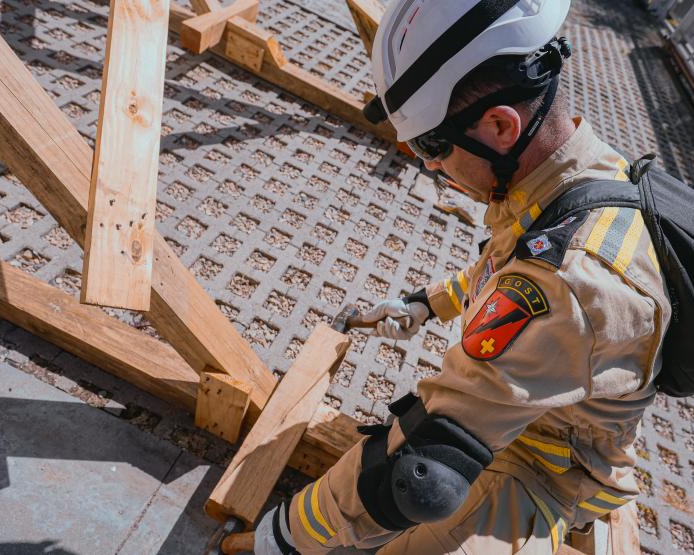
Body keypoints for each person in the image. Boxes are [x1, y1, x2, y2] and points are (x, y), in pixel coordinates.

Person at [255, 1, 671, 553]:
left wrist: (284, 535)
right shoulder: (571, 176)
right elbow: (503, 265)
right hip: (534, 412)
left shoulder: (573, 280)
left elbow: (426, 460)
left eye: (432, 146)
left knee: (417, 491)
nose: (427, 166)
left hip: (548, 466)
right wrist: (425, 304)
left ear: (501, 126)